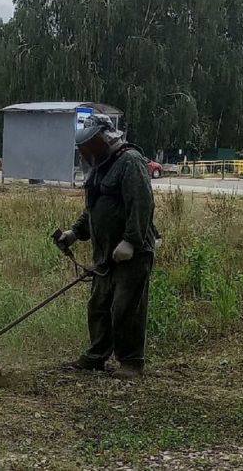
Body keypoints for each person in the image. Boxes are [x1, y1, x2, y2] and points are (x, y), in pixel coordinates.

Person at [60, 114, 160, 380]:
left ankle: (131, 361)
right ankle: (96, 356)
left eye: (91, 146)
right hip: (106, 254)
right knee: (99, 305)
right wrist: (75, 232)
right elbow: (93, 207)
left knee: (125, 307)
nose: (87, 152)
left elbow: (142, 204)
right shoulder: (101, 167)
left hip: (133, 253)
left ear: (105, 139)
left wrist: (131, 240)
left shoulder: (130, 162)